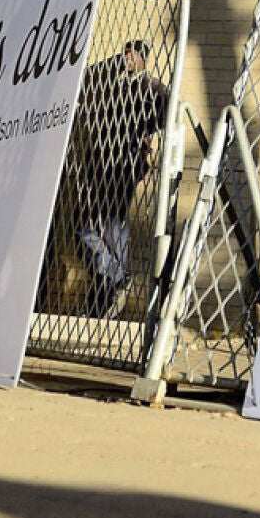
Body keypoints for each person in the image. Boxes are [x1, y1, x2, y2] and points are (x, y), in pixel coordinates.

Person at [69, 40, 169, 318]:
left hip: (125, 166)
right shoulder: (113, 85)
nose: (126, 59)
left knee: (112, 229)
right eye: (125, 54)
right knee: (88, 229)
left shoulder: (151, 87)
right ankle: (113, 283)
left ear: (143, 59)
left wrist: (148, 134)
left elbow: (168, 110)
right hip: (100, 166)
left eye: (133, 55)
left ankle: (106, 296)